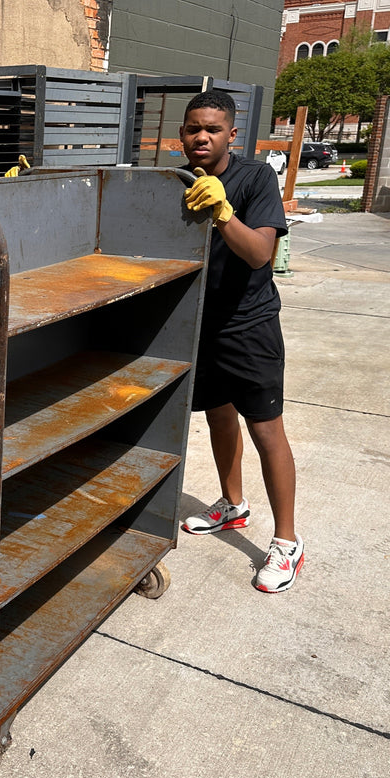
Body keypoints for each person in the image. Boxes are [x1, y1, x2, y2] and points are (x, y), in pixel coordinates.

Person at [178, 89, 303, 593]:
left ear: (232, 133)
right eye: (192, 128)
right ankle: (233, 505)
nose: (201, 136)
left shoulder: (255, 178)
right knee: (218, 414)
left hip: (249, 327)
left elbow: (259, 255)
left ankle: (288, 543)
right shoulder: (178, 182)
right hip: (201, 324)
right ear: (181, 134)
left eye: (212, 128)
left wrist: (223, 213)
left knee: (266, 428)